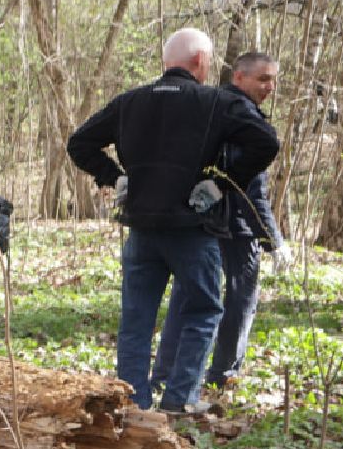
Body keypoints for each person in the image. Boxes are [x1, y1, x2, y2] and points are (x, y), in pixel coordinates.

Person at [67, 29, 279, 414]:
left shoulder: (131, 101)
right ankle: (179, 401)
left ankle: (133, 403)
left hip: (142, 228)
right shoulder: (214, 102)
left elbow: (79, 142)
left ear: (168, 62)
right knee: (203, 310)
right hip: (191, 231)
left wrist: (114, 177)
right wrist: (220, 184)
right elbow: (266, 142)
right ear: (200, 61)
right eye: (209, 61)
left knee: (136, 318)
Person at [150, 52, 292, 394]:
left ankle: (165, 375)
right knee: (239, 301)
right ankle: (222, 375)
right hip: (235, 226)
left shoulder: (207, 107)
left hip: (202, 223)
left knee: (189, 299)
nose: (269, 87)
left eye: (273, 80)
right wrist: (274, 239)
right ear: (238, 78)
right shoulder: (241, 116)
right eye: (262, 79)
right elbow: (252, 189)